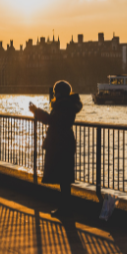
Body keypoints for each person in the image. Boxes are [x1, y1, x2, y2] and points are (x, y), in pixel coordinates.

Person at [29, 80, 82, 217]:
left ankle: (65, 209)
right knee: (64, 178)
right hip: (65, 142)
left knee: (63, 178)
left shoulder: (63, 106)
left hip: (60, 143)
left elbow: (53, 121)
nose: (54, 94)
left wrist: (37, 111)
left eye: (55, 92)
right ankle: (65, 208)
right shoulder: (68, 105)